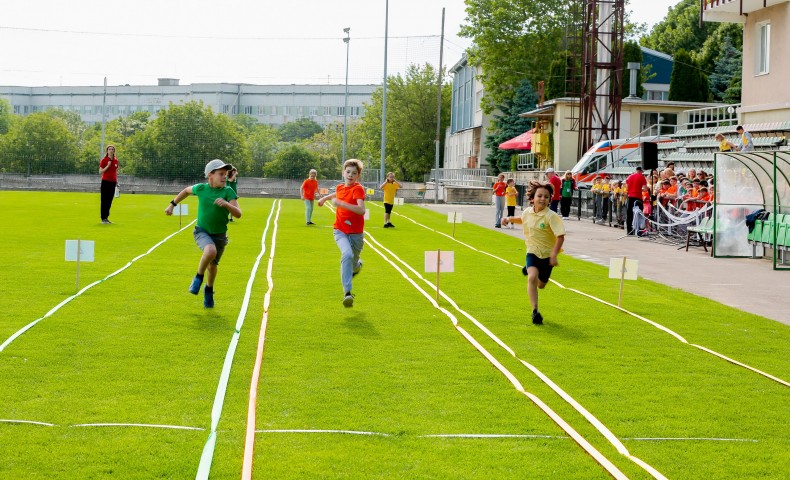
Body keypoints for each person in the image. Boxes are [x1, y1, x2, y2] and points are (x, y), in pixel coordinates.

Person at [165, 159, 242, 308]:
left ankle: (209, 290)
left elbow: (238, 214)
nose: (224, 177)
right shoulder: (201, 188)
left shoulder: (228, 191)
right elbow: (186, 191)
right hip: (202, 231)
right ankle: (198, 277)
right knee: (210, 250)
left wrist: (226, 204)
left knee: (212, 266)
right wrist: (172, 205)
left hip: (220, 235)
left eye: (225, 174)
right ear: (210, 176)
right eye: (220, 174)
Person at [501, 181, 565, 325]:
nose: (542, 199)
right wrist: (509, 219)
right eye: (539, 196)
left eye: (546, 197)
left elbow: (560, 236)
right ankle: (535, 311)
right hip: (532, 252)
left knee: (541, 284)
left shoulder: (551, 216)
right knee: (532, 278)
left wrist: (554, 255)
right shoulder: (527, 212)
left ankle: (531, 271)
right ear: (532, 198)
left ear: (550, 200)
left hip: (548, 256)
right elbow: (522, 219)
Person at [318, 159, 366, 308]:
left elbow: (361, 210)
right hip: (340, 231)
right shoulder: (340, 187)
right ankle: (347, 293)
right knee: (347, 255)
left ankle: (357, 266)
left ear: (358, 176)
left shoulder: (358, 189)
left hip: (356, 234)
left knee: (353, 261)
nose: (350, 175)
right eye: (348, 172)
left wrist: (342, 204)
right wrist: (324, 199)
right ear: (343, 173)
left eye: (354, 173)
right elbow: (336, 194)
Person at [99, 145, 119, 224]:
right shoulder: (104, 160)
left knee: (109, 201)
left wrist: (116, 182)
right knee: (104, 200)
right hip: (105, 182)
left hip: (112, 182)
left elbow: (115, 172)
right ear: (107, 151)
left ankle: (106, 217)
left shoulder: (116, 161)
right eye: (109, 149)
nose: (111, 150)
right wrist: (108, 165)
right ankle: (103, 218)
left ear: (114, 151)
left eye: (112, 149)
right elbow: (100, 171)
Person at [625, 165, 647, 235]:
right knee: (639, 213)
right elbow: (645, 188)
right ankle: (639, 230)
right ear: (641, 171)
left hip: (630, 196)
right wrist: (640, 189)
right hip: (638, 197)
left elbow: (627, 187)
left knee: (629, 214)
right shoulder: (642, 177)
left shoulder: (630, 176)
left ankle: (629, 230)